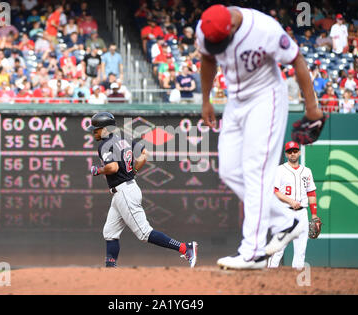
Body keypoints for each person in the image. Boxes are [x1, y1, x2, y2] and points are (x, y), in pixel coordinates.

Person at [197, 5, 324, 269]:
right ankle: (286, 221)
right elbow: (208, 59)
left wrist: (311, 106)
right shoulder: (206, 28)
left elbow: (297, 59)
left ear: (231, 27)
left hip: (267, 97)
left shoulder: (264, 29)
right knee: (230, 170)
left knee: (256, 171)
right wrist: (206, 99)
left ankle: (252, 252)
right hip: (236, 100)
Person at [87, 112, 198, 268]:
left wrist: (97, 170)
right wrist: (133, 172)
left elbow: (113, 167)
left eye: (96, 129)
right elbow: (144, 155)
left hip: (124, 192)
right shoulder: (124, 139)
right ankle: (110, 270)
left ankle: (185, 248)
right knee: (110, 232)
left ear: (105, 129)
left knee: (144, 233)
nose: (94, 132)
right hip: (126, 189)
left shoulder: (105, 145)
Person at [267, 141, 319, 269]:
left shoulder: (307, 171)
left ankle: (294, 281)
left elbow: (311, 193)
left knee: (300, 251)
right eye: (290, 152)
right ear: (286, 154)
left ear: (299, 152)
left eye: (295, 151)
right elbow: (275, 191)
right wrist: (290, 201)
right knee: (278, 250)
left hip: (302, 213)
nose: (293, 154)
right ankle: (268, 276)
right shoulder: (279, 170)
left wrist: (314, 216)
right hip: (285, 212)